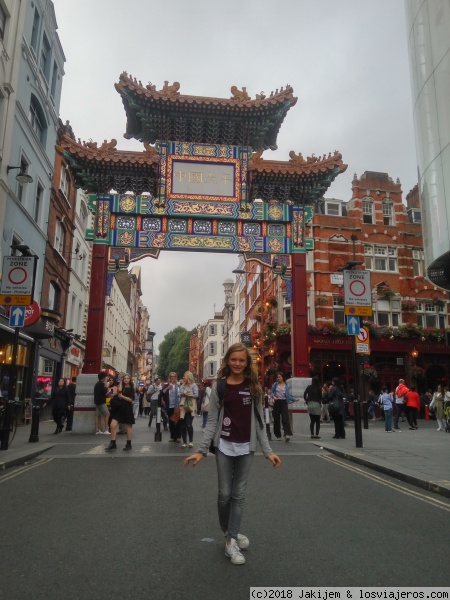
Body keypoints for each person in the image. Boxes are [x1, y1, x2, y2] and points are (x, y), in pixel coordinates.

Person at [183, 343, 282, 566]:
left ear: (247, 363)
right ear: (227, 361)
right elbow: (212, 422)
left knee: (238, 495)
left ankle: (230, 541)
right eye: (234, 360)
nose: (238, 363)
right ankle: (229, 530)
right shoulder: (219, 387)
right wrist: (201, 451)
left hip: (246, 446)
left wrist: (268, 451)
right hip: (224, 446)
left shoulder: (254, 387)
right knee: (224, 494)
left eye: (242, 360)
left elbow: (259, 423)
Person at [105, 373, 135, 451]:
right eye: (124, 378)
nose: (126, 379)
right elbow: (117, 394)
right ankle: (113, 443)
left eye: (127, 378)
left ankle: (129, 444)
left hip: (126, 409)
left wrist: (122, 396)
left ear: (130, 380)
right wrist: (113, 394)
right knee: (112, 425)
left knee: (127, 427)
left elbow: (131, 400)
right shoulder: (121, 387)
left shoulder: (131, 389)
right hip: (119, 409)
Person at [269, 371, 292, 442]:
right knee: (276, 419)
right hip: (277, 402)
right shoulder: (275, 384)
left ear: (282, 378)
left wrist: (294, 399)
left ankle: (287, 434)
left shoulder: (287, 385)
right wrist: (273, 396)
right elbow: (272, 392)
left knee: (285, 418)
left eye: (279, 377)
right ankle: (278, 435)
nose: (278, 378)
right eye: (277, 377)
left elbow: (288, 395)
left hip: (284, 402)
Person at [179, 371, 198, 448]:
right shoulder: (182, 386)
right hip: (183, 406)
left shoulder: (193, 385)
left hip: (190, 406)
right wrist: (182, 394)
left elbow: (196, 395)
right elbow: (179, 394)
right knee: (183, 425)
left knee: (189, 424)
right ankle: (184, 442)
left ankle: (191, 441)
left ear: (188, 377)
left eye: (184, 376)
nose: (183, 377)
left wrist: (188, 395)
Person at [161, 372, 181, 442]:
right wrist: (167, 389)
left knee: (178, 421)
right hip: (169, 406)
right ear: (169, 378)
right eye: (171, 376)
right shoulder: (166, 386)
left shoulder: (179, 385)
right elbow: (161, 393)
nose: (173, 378)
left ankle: (178, 436)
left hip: (177, 406)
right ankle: (173, 436)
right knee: (171, 421)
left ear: (176, 377)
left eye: (174, 376)